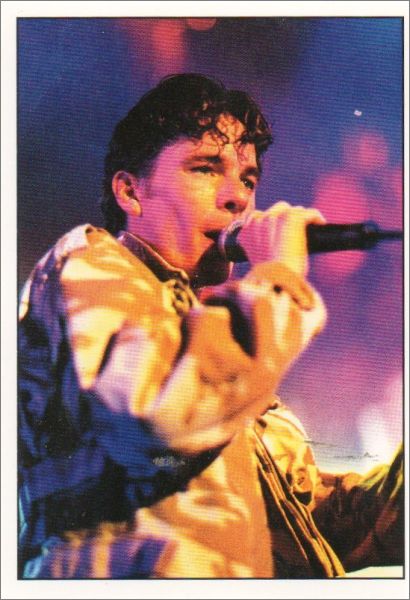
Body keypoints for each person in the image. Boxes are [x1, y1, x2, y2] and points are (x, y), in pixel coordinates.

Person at [18, 74, 403, 579]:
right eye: (205, 168)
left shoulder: (213, 345)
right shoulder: (89, 261)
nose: (237, 198)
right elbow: (155, 416)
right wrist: (279, 277)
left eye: (248, 180)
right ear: (131, 191)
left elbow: (317, 526)